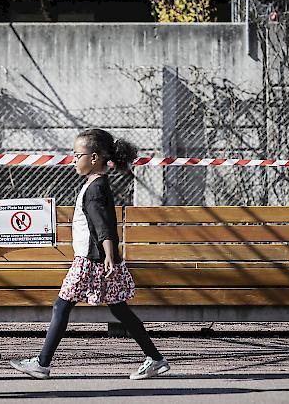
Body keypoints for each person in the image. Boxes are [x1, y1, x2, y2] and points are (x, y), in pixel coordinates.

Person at [9, 128, 170, 380]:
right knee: (119, 310)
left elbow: (101, 224)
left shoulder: (94, 188)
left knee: (61, 306)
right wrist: (111, 257)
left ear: (94, 158)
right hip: (99, 259)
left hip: (90, 261)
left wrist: (108, 255)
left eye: (77, 155)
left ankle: (41, 364)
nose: (73, 159)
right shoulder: (96, 184)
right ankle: (156, 359)